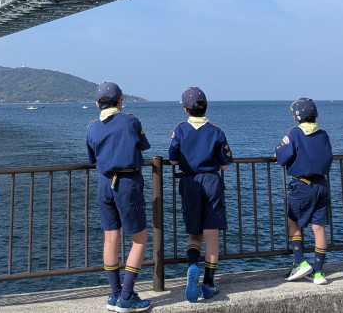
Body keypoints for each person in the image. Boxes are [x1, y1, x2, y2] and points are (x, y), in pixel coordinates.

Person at [86, 81, 153, 311]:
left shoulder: (92, 127)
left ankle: (114, 295)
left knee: (110, 239)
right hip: (127, 183)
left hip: (104, 184)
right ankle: (127, 296)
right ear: (120, 101)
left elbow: (92, 159)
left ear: (97, 104)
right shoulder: (131, 122)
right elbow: (141, 149)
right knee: (139, 240)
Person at [168, 86, 233, 302]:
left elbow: (173, 160)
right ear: (206, 107)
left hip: (190, 182)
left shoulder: (180, 130)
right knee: (211, 236)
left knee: (194, 235)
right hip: (212, 182)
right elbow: (225, 166)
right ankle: (208, 283)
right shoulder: (217, 131)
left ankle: (193, 266)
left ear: (185, 109)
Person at [275, 97, 333, 286]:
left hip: (302, 185)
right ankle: (318, 272)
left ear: (295, 117)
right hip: (322, 185)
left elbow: (282, 156)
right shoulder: (323, 134)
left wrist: (278, 154)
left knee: (293, 222)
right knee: (319, 228)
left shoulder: (295, 133)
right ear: (316, 115)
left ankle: (300, 262)